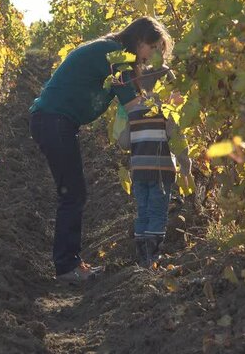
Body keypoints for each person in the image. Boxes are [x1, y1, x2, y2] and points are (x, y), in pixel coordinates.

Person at [29, 17, 174, 283]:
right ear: (141, 41)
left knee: (73, 192)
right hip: (54, 121)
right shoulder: (115, 56)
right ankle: (66, 267)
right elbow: (133, 107)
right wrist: (167, 94)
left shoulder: (112, 51)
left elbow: (134, 93)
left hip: (54, 121)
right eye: (153, 50)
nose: (152, 57)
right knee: (73, 194)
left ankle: (69, 263)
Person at [117, 66, 192, 268]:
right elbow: (176, 138)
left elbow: (124, 142)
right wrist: (186, 165)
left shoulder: (133, 110)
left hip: (139, 171)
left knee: (143, 211)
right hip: (161, 172)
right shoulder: (166, 111)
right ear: (166, 87)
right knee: (158, 212)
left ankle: (141, 255)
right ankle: (153, 257)